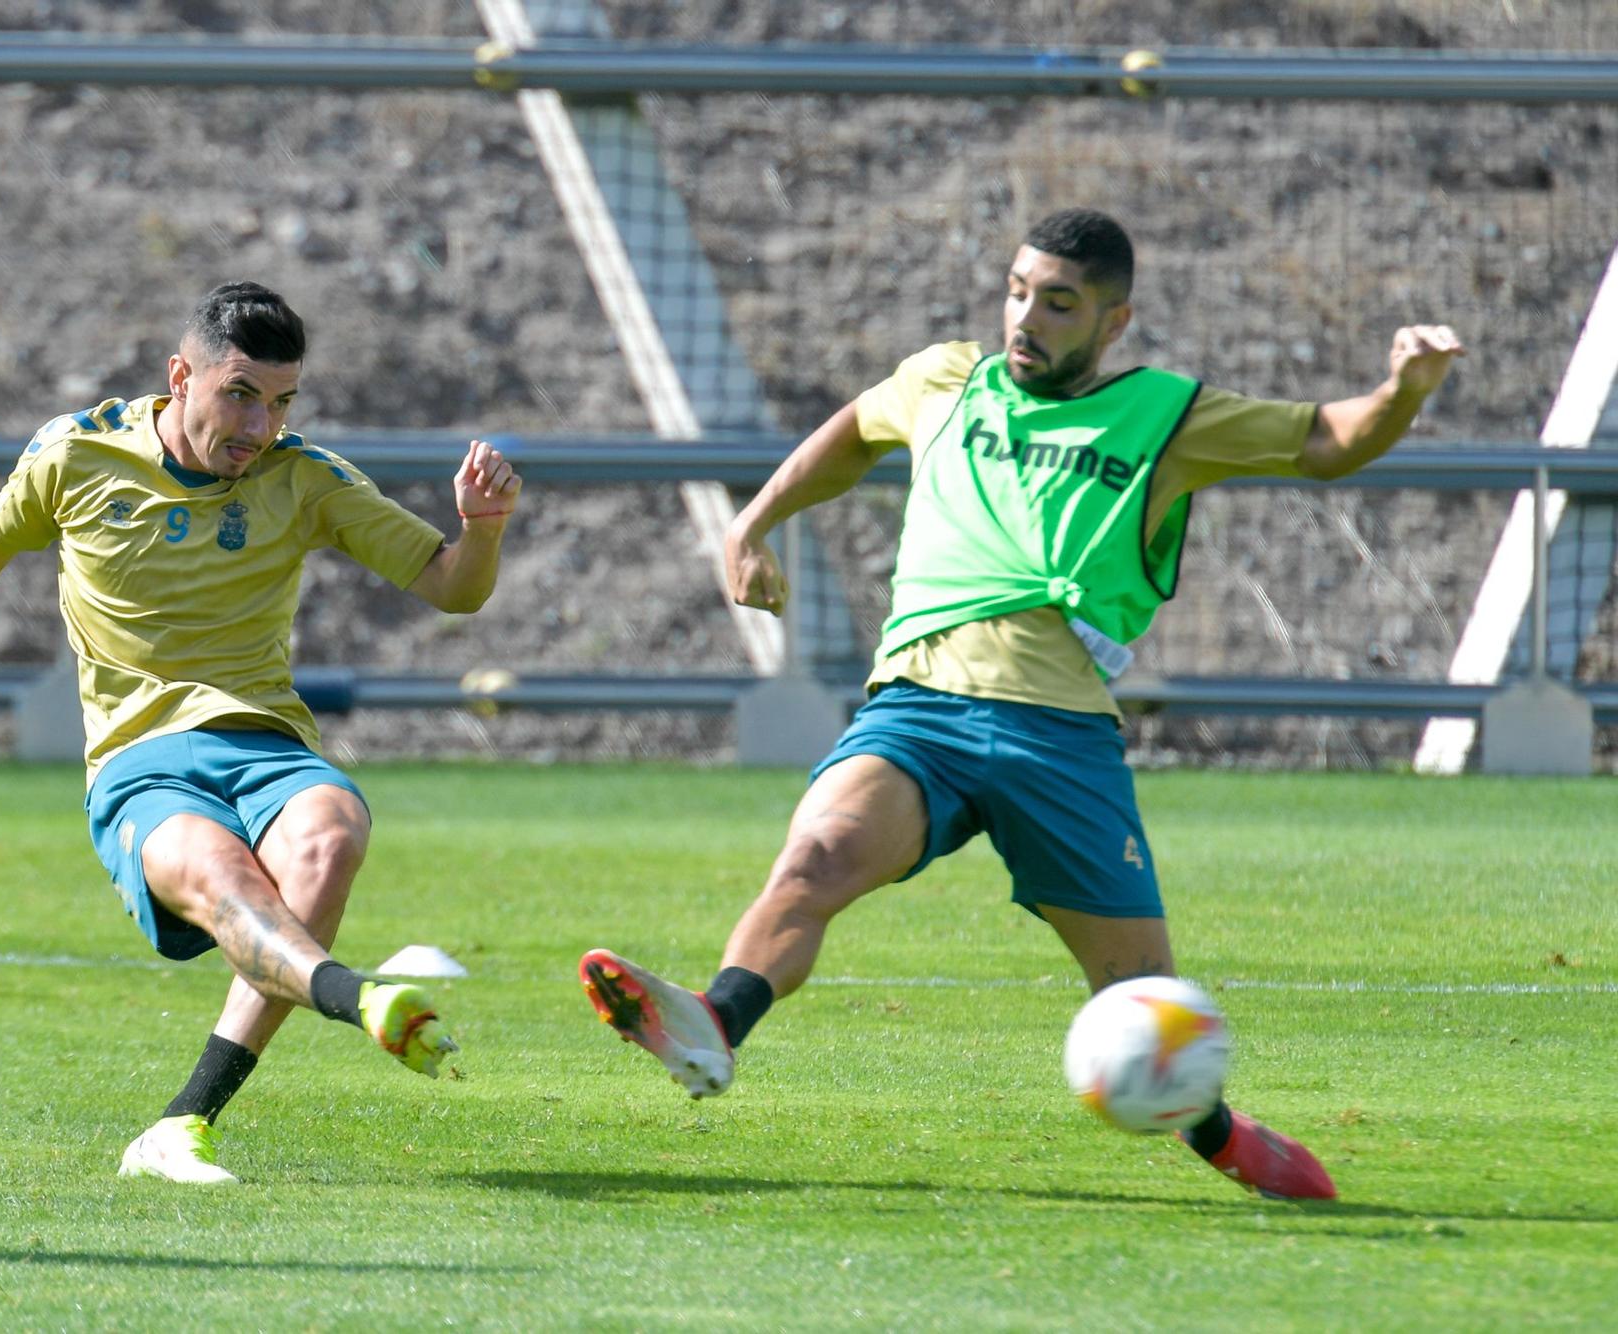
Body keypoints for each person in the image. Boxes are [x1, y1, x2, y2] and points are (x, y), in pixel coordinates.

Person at [579, 208, 1464, 1201]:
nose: (1025, 316)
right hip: (917, 705)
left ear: (1112, 322)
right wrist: (752, 521)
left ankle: (1219, 1132)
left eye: (1057, 302)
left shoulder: (1165, 414)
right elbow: (849, 433)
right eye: (1015, 290)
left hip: (1057, 733)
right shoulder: (942, 380)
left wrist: (1401, 390)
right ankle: (711, 1023)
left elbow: (1326, 441)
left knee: (1138, 998)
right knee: (816, 855)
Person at [0, 281, 521, 1184]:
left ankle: (184, 1122)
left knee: (333, 831)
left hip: (263, 740)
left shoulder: (306, 479)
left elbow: (454, 588)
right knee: (223, 878)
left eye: (281, 402)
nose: (261, 426)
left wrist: (483, 530)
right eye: (240, 394)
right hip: (141, 765)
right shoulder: (76, 454)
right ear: (181, 376)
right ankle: (354, 996)